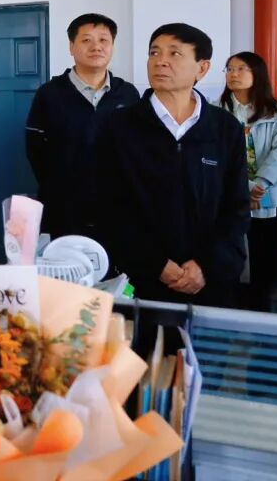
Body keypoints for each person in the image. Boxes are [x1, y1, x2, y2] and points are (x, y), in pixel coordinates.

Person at [96, 24, 249, 306]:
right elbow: (108, 205)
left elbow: (236, 208)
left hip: (210, 281)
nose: (160, 61)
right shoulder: (119, 126)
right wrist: (155, 263)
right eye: (154, 53)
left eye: (174, 53)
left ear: (202, 68)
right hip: (140, 280)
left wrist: (205, 265)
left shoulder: (225, 129)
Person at [25, 13, 138, 239]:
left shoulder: (128, 94)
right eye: (86, 40)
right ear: (71, 47)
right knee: (64, 260)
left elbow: (136, 150)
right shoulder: (49, 94)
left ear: (112, 46)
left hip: (117, 209)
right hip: (63, 208)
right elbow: (35, 151)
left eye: (103, 40)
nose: (96, 47)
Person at [218, 51, 277, 311]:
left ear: (257, 74)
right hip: (229, 196)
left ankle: (266, 313)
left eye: (241, 69)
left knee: (267, 260)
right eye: (229, 69)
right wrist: (244, 187)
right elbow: (218, 155)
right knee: (227, 257)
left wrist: (260, 184)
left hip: (269, 195)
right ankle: (230, 312)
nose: (233, 74)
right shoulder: (217, 111)